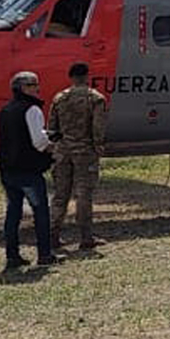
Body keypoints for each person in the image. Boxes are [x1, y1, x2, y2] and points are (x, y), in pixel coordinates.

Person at [0, 70, 58, 270]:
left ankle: (12, 255)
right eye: (33, 85)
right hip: (28, 170)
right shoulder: (32, 109)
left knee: (13, 212)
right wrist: (53, 144)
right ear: (23, 88)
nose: (37, 88)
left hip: (8, 169)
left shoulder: (5, 110)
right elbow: (38, 142)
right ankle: (45, 254)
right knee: (40, 211)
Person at [46, 61, 109, 250]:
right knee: (83, 195)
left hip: (63, 151)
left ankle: (53, 235)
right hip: (85, 152)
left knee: (60, 195)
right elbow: (98, 127)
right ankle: (85, 237)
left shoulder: (59, 98)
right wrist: (98, 145)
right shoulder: (95, 98)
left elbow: (52, 127)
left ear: (71, 77)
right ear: (87, 76)